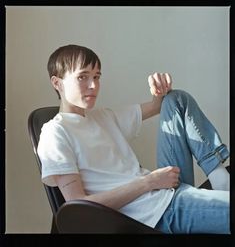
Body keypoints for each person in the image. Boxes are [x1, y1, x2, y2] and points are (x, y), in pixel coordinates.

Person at [37, 44, 230, 234]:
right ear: (57, 83)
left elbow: (160, 105)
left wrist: (159, 91)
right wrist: (149, 182)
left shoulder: (102, 117)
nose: (93, 85)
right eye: (82, 77)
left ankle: (219, 177)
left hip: (163, 190)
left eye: (96, 76)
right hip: (155, 213)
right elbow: (77, 208)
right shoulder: (55, 132)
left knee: (176, 98)